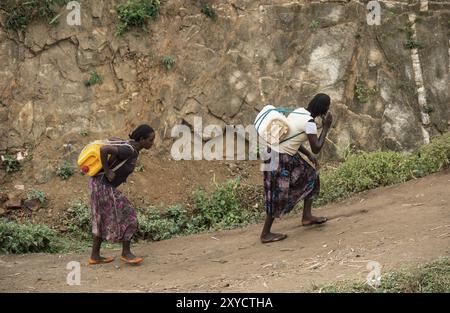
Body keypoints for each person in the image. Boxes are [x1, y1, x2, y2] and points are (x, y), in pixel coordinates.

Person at [260, 93, 333, 243]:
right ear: (324, 110)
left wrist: (307, 155)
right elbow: (317, 148)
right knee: (277, 193)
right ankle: (265, 234)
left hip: (276, 153)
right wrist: (326, 128)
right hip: (280, 157)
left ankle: (307, 217)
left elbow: (290, 136)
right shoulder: (310, 123)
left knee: (311, 175)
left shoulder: (299, 111)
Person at [88, 124, 155, 265]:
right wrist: (107, 171)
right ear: (141, 139)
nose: (152, 143)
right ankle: (126, 253)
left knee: (100, 218)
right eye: (150, 140)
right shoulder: (129, 150)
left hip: (97, 184)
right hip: (103, 185)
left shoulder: (130, 146)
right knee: (129, 214)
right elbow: (104, 149)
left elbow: (111, 141)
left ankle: (95, 256)